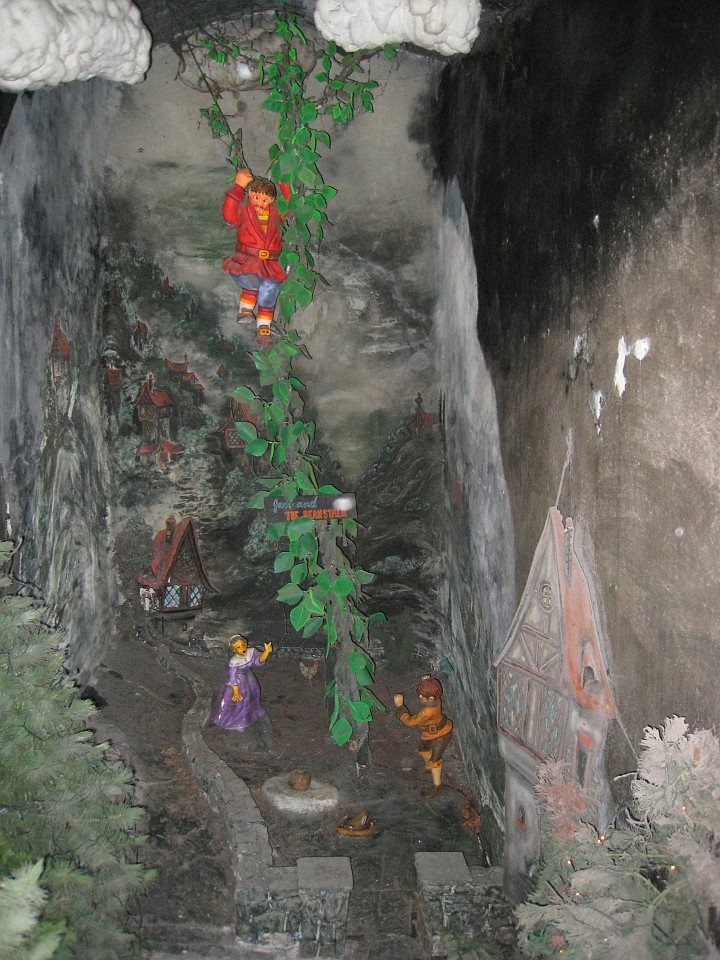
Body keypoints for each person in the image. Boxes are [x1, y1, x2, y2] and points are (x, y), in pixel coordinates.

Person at [221, 167, 291, 344]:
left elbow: (290, 204)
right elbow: (229, 215)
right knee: (250, 281)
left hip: (270, 263)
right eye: (255, 197)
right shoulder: (244, 211)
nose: (259, 202)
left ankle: (264, 328)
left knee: (269, 291)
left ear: (272, 200)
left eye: (264, 199)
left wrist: (283, 181)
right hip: (247, 259)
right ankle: (245, 309)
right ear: (250, 195)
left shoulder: (277, 213)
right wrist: (238, 186)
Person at [394, 675, 453, 798]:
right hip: (429, 733)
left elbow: (410, 721)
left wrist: (400, 706)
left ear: (430, 698)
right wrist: (426, 682)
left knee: (435, 759)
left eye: (422, 696)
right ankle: (427, 767)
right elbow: (431, 690)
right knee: (424, 749)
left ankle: (437, 785)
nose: (420, 698)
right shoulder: (436, 699)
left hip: (441, 734)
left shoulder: (426, 711)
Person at [212, 634, 273, 732]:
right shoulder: (234, 661)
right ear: (234, 649)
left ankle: (253, 712)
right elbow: (232, 677)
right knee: (242, 698)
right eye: (238, 647)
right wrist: (236, 691)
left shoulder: (251, 651)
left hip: (247, 675)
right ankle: (238, 721)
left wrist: (266, 652)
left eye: (243, 645)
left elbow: (258, 661)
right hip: (238, 680)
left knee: (255, 690)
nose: (242, 648)